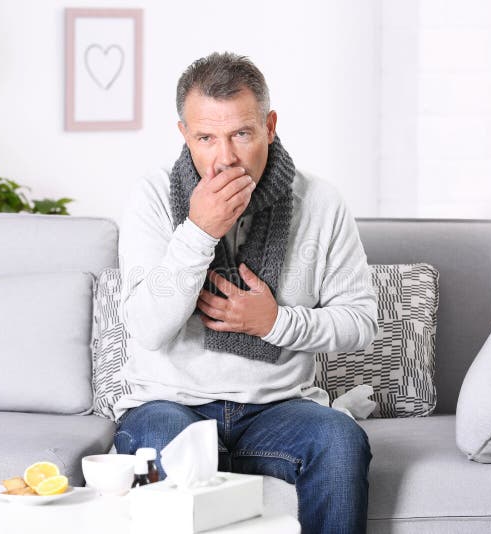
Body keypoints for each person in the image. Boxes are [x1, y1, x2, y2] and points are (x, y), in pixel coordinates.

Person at [114, 51, 378, 534]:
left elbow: (361, 323)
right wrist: (197, 231)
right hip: (170, 401)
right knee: (157, 436)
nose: (225, 157)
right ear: (184, 136)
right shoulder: (151, 197)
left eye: (241, 133)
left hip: (278, 408)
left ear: (270, 126)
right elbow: (147, 330)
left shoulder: (319, 202)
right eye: (206, 138)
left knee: (340, 440)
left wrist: (275, 323)